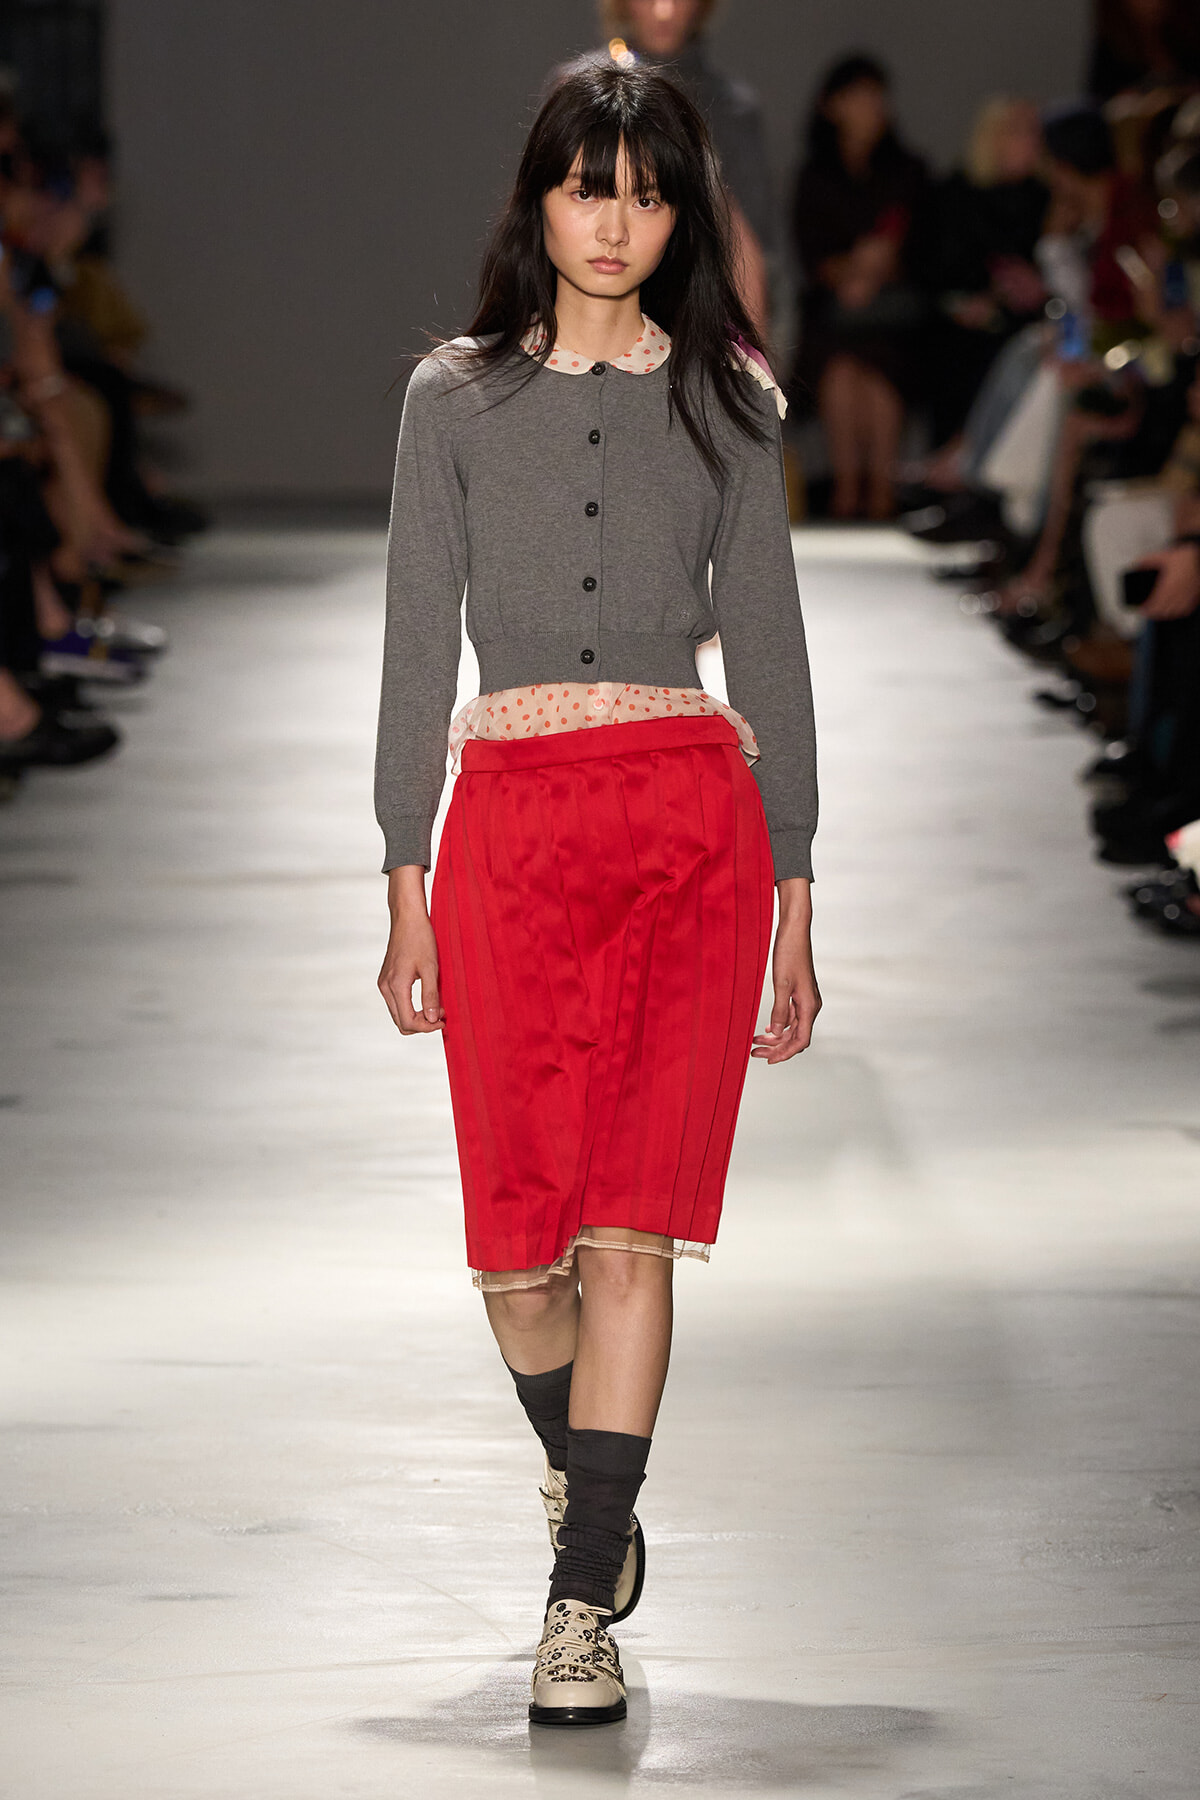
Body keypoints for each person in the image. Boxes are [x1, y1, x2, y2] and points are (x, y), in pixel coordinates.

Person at [375, 57, 819, 1727]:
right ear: (540, 202)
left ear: (677, 212)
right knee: (517, 1255)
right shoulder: (452, 400)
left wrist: (794, 880)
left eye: (645, 192)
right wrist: (402, 868)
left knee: (631, 1228)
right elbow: (419, 648)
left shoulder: (730, 402)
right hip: (508, 834)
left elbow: (768, 648)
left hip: (683, 827)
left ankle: (584, 1598)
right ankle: (596, 1487)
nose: (615, 221)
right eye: (587, 187)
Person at [790, 54, 931, 520]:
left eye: (876, 96)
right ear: (832, 106)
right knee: (839, 372)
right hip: (832, 314)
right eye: (858, 96)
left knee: (879, 371)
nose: (870, 106)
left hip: (893, 316)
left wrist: (874, 273)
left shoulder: (908, 171)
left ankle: (881, 493)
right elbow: (810, 253)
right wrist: (853, 271)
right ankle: (848, 493)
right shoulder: (815, 176)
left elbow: (919, 246)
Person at [592, 0, 776, 336]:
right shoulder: (579, 91)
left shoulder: (732, 109)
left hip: (697, 321)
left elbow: (750, 244)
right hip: (589, 315)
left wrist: (755, 366)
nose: (664, 10)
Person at [928, 99, 1048, 449]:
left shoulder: (1049, 199)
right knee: (954, 346)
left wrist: (1027, 287)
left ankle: (975, 462)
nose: (1029, 140)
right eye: (1017, 131)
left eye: (1034, 131)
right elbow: (937, 265)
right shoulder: (956, 192)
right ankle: (953, 456)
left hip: (1028, 317)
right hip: (961, 314)